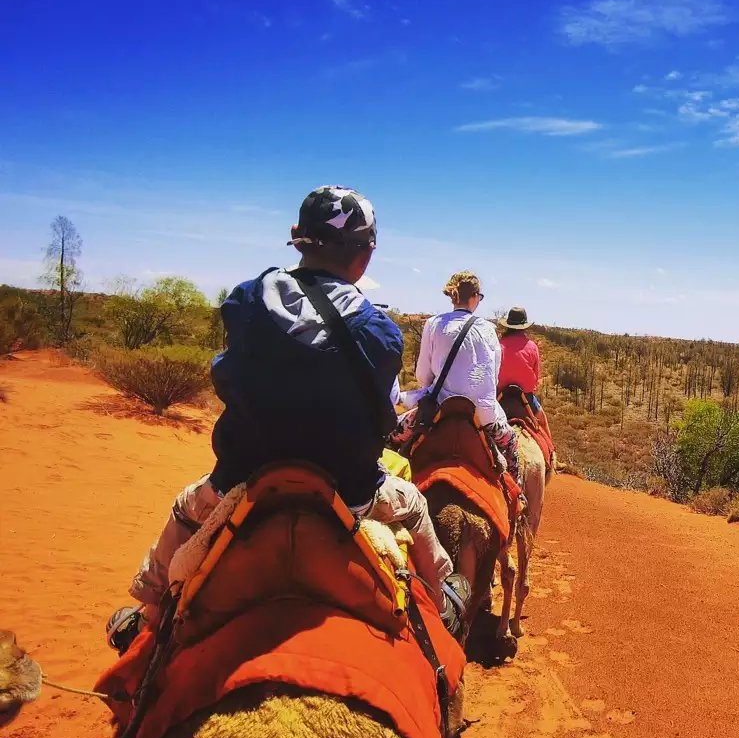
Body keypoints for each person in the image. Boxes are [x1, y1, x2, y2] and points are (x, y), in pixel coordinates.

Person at [109, 186, 469, 651]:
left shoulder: (247, 300)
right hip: (351, 495)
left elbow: (229, 377)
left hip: (244, 481)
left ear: (298, 239)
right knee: (416, 507)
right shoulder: (378, 328)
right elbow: (380, 408)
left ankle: (147, 613)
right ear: (365, 254)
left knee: (185, 507)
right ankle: (442, 605)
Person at [410, 271, 520, 481]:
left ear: (453, 296)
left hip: (437, 409)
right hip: (483, 415)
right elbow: (493, 378)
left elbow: (423, 376)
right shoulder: (488, 330)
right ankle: (518, 499)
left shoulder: (434, 323)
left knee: (393, 438)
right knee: (511, 442)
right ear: (475, 296)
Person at [497, 306, 544, 414]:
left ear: (508, 325)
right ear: (524, 327)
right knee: (542, 421)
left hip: (500, 395)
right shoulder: (532, 346)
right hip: (526, 397)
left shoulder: (498, 345)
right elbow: (536, 376)